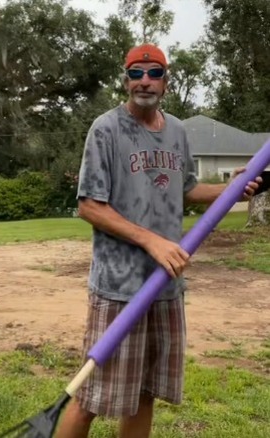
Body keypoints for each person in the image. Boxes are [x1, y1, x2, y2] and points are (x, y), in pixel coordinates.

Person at [55, 43, 261, 438]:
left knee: (145, 394)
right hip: (120, 289)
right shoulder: (106, 129)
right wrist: (152, 241)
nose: (144, 81)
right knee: (93, 398)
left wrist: (230, 188)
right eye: (136, 73)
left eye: (153, 73)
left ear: (167, 81)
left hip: (166, 285)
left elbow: (185, 189)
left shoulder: (178, 131)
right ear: (125, 79)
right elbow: (90, 206)